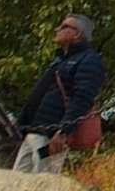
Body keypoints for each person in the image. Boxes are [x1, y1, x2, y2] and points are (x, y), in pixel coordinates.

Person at [13, 13, 106, 173]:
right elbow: (38, 94)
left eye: (64, 27)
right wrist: (21, 123)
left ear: (77, 33)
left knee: (42, 183)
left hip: (51, 136)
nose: (57, 30)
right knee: (16, 183)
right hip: (34, 132)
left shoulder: (89, 60)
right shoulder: (59, 60)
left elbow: (82, 99)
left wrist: (63, 132)